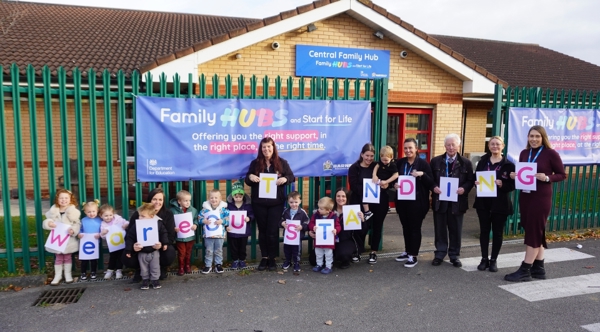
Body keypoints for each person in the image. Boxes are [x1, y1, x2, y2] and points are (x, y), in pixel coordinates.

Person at [505, 125, 566, 281]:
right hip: (525, 196)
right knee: (534, 229)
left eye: (537, 136)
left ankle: (525, 269)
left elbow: (561, 174)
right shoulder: (524, 153)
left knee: (534, 231)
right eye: (531, 136)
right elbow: (524, 174)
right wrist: (515, 175)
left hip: (541, 198)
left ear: (543, 138)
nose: (534, 139)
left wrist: (547, 178)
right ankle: (539, 268)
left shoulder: (550, 154)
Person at [245, 137, 295, 271]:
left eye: (269, 147)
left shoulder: (282, 163)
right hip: (259, 203)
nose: (266, 149)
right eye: (264, 147)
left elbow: (291, 177)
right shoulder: (255, 163)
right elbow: (247, 179)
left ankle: (272, 258)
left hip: (276, 203)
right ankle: (264, 257)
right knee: (262, 231)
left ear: (273, 148)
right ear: (261, 149)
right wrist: (250, 177)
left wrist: (285, 178)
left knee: (272, 231)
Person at [430, 133, 474, 267]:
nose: (450, 147)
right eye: (448, 145)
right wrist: (434, 187)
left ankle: (454, 255)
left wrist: (464, 188)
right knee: (440, 229)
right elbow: (430, 179)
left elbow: (470, 180)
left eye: (453, 145)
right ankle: (440, 254)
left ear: (458, 146)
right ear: (444, 146)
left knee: (456, 229)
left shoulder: (466, 163)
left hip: (457, 202)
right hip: (440, 201)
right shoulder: (435, 161)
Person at [473, 136, 515, 272]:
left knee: (497, 233)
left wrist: (503, 184)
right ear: (489, 146)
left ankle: (493, 260)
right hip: (483, 203)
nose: (495, 146)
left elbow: (513, 185)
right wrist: (476, 182)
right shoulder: (483, 161)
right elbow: (476, 176)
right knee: (484, 231)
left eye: (497, 144)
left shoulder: (509, 165)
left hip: (500, 204)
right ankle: (484, 259)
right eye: (492, 144)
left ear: (502, 146)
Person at [394, 138, 434, 268]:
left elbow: (431, 183)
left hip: (418, 203)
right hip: (402, 202)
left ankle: (414, 255)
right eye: (405, 148)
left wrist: (422, 175)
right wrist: (394, 185)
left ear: (416, 149)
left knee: (415, 228)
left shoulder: (423, 164)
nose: (408, 150)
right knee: (406, 227)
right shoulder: (400, 163)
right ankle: (407, 251)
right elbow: (394, 178)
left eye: (410, 148)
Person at [123, 187, 176, 283]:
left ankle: (160, 268)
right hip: (141, 248)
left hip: (157, 247)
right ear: (149, 200)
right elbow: (129, 234)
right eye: (154, 199)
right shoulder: (139, 214)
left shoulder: (168, 214)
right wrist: (133, 246)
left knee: (169, 252)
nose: (157, 202)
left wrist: (162, 243)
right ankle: (140, 269)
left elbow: (170, 236)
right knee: (127, 256)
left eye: (160, 200)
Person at [365, 145, 399, 264]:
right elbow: (376, 167)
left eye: (386, 160)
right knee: (365, 224)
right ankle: (358, 249)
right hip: (371, 197)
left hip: (382, 198)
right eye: (383, 159)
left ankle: (373, 251)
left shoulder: (393, 165)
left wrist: (386, 183)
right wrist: (374, 176)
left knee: (377, 226)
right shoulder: (378, 163)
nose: (384, 161)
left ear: (391, 157)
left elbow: (396, 175)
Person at [125, 203, 169, 290]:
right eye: (139, 216)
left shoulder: (158, 224)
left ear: (152, 216)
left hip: (154, 250)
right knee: (143, 267)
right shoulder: (136, 226)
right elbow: (130, 237)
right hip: (142, 251)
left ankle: (155, 280)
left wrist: (164, 243)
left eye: (143, 216)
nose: (140, 218)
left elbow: (163, 233)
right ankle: (145, 280)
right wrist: (129, 249)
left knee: (155, 266)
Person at [43, 189, 81, 285]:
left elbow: (77, 223)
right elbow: (47, 220)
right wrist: (49, 223)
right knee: (58, 257)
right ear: (57, 199)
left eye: (66, 198)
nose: (63, 200)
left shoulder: (73, 212)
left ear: (70, 199)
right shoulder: (53, 211)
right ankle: (58, 275)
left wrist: (73, 230)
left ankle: (68, 274)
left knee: (68, 257)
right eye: (61, 198)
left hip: (68, 239)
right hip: (57, 239)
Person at [347, 143, 376, 263]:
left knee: (372, 226)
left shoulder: (375, 166)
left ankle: (372, 252)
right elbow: (353, 185)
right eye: (367, 155)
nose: (369, 158)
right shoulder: (354, 168)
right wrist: (366, 192)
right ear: (362, 154)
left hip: (373, 202)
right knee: (359, 227)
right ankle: (357, 251)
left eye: (372, 156)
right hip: (357, 201)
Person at [332, 188, 365, 269]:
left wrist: (362, 220)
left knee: (343, 255)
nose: (340, 198)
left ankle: (345, 257)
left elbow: (362, 232)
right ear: (335, 197)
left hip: (346, 240)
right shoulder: (329, 210)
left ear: (347, 198)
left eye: (343, 196)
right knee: (313, 259)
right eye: (338, 196)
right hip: (330, 239)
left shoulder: (353, 211)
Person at [199, 189, 230, 274]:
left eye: (216, 198)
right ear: (209, 198)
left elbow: (229, 219)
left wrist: (222, 221)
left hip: (219, 235)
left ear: (220, 198)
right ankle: (208, 265)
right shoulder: (204, 210)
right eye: (212, 197)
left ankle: (218, 264)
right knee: (208, 250)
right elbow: (199, 218)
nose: (214, 199)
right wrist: (203, 221)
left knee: (218, 250)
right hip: (208, 235)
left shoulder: (224, 210)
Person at [308, 197, 341, 274]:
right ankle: (319, 264)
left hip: (328, 240)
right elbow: (311, 223)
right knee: (318, 253)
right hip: (319, 239)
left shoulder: (334, 217)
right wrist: (313, 227)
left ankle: (328, 266)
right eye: (319, 207)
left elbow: (338, 226)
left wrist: (336, 230)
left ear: (328, 210)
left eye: (321, 208)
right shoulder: (316, 215)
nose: (319, 210)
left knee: (328, 254)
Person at [169, 190, 199, 276]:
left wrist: (195, 225)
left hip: (190, 236)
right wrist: (174, 228)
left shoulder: (193, 210)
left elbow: (196, 219)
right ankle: (181, 267)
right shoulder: (173, 211)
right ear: (179, 201)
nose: (188, 202)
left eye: (189, 200)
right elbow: (170, 222)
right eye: (185, 200)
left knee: (188, 252)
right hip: (180, 237)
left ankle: (187, 266)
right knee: (181, 252)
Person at [226, 180, 254, 269]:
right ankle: (235, 260)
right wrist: (226, 223)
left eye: (240, 196)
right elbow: (225, 215)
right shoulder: (229, 206)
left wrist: (249, 218)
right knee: (233, 246)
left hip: (243, 231)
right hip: (232, 231)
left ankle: (242, 260)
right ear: (233, 196)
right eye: (236, 196)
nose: (238, 198)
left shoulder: (247, 206)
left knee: (242, 246)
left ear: (243, 195)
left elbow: (252, 214)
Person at [280, 191, 309, 272]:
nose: (294, 204)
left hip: (297, 236)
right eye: (291, 202)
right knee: (287, 249)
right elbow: (280, 220)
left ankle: (296, 262)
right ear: (288, 202)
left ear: (300, 201)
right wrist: (282, 223)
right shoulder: (286, 212)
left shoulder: (302, 212)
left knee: (297, 250)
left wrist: (302, 226)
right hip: (288, 236)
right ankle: (288, 261)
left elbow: (307, 222)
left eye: (296, 202)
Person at [99, 203, 129, 279]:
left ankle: (119, 270)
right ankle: (110, 270)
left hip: (121, 242)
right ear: (101, 216)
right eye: (106, 216)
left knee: (120, 256)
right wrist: (103, 233)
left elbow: (126, 222)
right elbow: (103, 236)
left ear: (113, 214)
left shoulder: (118, 219)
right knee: (112, 257)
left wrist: (125, 225)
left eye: (110, 215)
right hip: (112, 244)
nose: (108, 217)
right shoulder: (103, 224)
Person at [78, 200, 102, 280]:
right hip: (85, 242)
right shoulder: (84, 220)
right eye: (89, 212)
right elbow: (80, 229)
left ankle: (93, 271)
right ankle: (83, 272)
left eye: (93, 211)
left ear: (97, 210)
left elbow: (102, 229)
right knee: (84, 259)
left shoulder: (100, 220)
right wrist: (79, 234)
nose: (91, 213)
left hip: (95, 242)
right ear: (85, 212)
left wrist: (100, 234)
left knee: (93, 259)